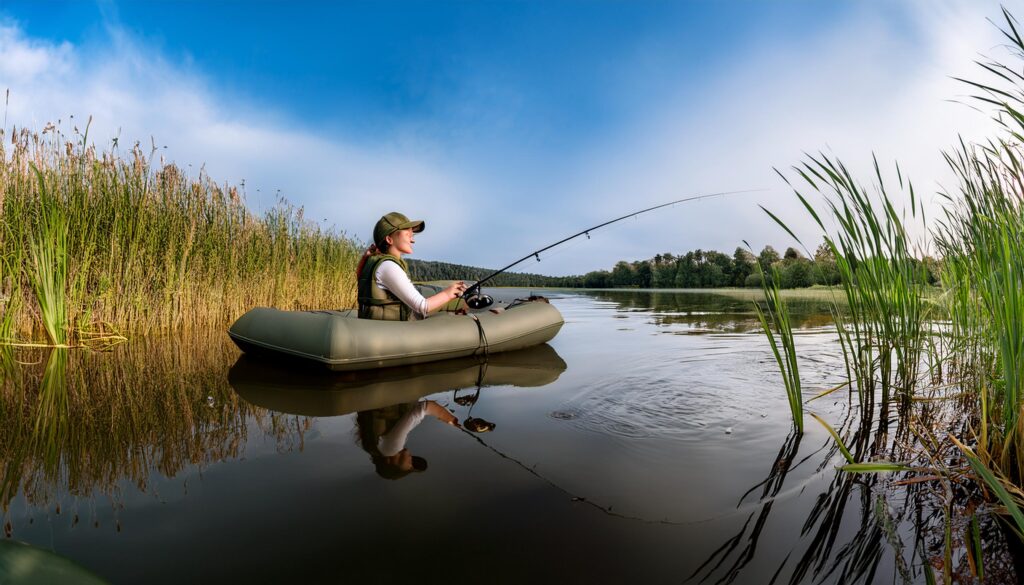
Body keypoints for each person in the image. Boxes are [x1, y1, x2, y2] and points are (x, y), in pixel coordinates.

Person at [356, 212, 467, 320]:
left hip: (379, 323)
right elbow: (422, 307)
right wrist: (449, 294)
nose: (413, 240)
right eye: (408, 234)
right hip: (390, 331)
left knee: (435, 292)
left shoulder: (377, 261)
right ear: (389, 239)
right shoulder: (388, 266)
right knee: (455, 300)